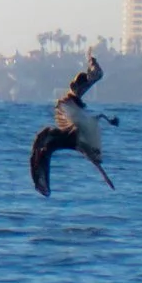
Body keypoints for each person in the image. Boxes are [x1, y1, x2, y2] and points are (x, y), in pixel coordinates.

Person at [29, 49, 117, 195]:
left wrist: (91, 61)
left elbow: (87, 152)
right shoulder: (71, 105)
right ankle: (43, 185)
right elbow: (87, 152)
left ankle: (43, 185)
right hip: (77, 128)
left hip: (76, 127)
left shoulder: (71, 104)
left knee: (49, 144)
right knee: (48, 144)